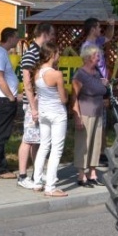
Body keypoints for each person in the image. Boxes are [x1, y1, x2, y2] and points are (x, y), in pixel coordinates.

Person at [16, 23, 55, 191]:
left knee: (36, 139)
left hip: (40, 102)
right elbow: (27, 83)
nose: (53, 38)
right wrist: (33, 107)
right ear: (44, 34)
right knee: (28, 139)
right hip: (32, 104)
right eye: (51, 34)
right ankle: (22, 175)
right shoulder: (30, 54)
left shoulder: (39, 52)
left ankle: (36, 172)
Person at [32, 42, 69, 197]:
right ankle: (50, 187)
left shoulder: (37, 72)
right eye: (58, 53)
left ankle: (37, 181)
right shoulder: (56, 74)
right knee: (56, 149)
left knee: (44, 146)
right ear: (52, 54)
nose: (59, 56)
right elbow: (63, 99)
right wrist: (66, 92)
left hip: (44, 112)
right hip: (57, 113)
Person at [72, 45, 109, 187]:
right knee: (84, 144)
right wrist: (77, 117)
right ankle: (81, 175)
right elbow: (74, 97)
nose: (98, 58)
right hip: (85, 113)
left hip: (98, 113)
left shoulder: (96, 72)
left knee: (96, 144)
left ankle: (92, 174)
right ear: (88, 58)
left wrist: (104, 85)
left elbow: (100, 90)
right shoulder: (80, 74)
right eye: (96, 56)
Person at [0, 27, 20, 179]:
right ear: (10, 37)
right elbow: (0, 78)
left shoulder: (1, 53)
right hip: (4, 99)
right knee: (0, 134)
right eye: (16, 37)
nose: (18, 40)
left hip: (3, 98)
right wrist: (11, 97)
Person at [80, 17, 115, 81]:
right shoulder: (87, 47)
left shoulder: (98, 41)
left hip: (102, 81)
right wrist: (100, 80)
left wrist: (111, 25)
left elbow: (108, 37)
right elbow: (89, 68)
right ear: (93, 29)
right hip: (96, 82)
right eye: (98, 27)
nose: (100, 29)